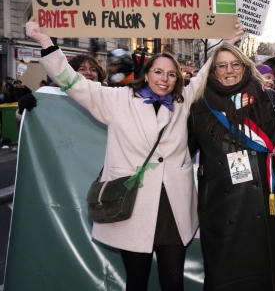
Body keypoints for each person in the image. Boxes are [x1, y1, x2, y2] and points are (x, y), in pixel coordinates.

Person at [26, 17, 244, 291]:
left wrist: (225, 44)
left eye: (171, 74)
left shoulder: (182, 100)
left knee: (173, 282)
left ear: (177, 78)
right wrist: (45, 41)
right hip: (133, 204)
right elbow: (74, 83)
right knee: (137, 282)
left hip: (173, 205)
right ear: (147, 73)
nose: (164, 79)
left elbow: (203, 74)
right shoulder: (118, 99)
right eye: (158, 72)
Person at [187, 43, 275, 291]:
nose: (230, 70)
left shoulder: (266, 97)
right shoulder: (199, 107)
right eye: (222, 65)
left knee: (265, 270)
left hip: (264, 200)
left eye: (235, 64)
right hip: (221, 206)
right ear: (214, 71)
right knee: (225, 274)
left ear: (245, 66)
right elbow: (182, 150)